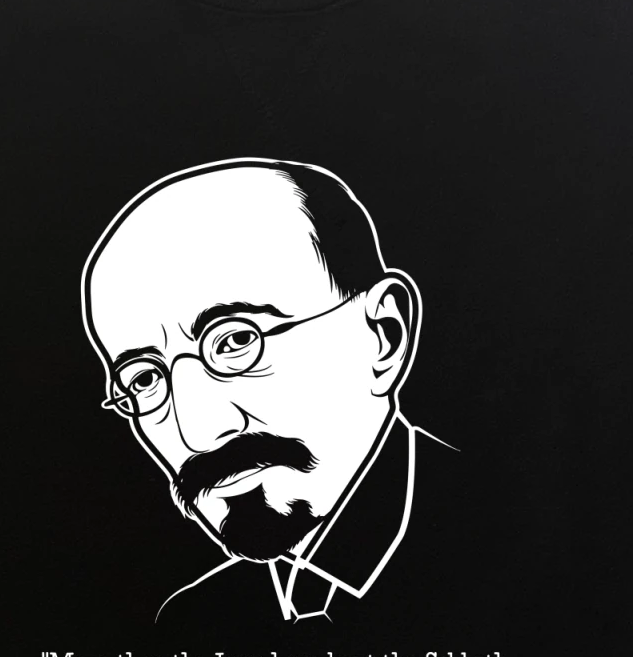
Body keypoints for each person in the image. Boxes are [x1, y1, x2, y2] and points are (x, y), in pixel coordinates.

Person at [80, 157, 444, 623]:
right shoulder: (191, 622)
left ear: (382, 336)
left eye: (236, 341)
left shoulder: (517, 539)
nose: (198, 433)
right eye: (145, 380)